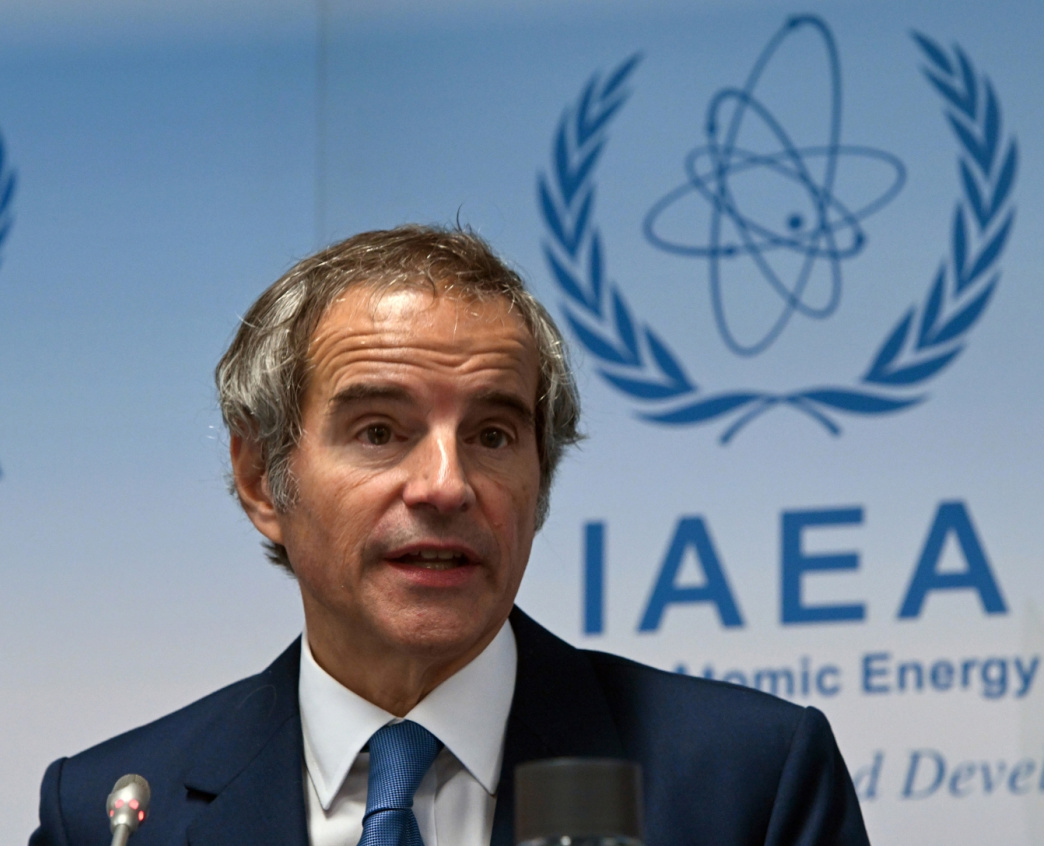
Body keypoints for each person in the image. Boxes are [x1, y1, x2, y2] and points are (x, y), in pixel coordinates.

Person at [31, 225, 870, 846]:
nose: (446, 484)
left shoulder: (748, 782)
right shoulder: (112, 815)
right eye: (379, 431)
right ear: (262, 480)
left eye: (493, 436)